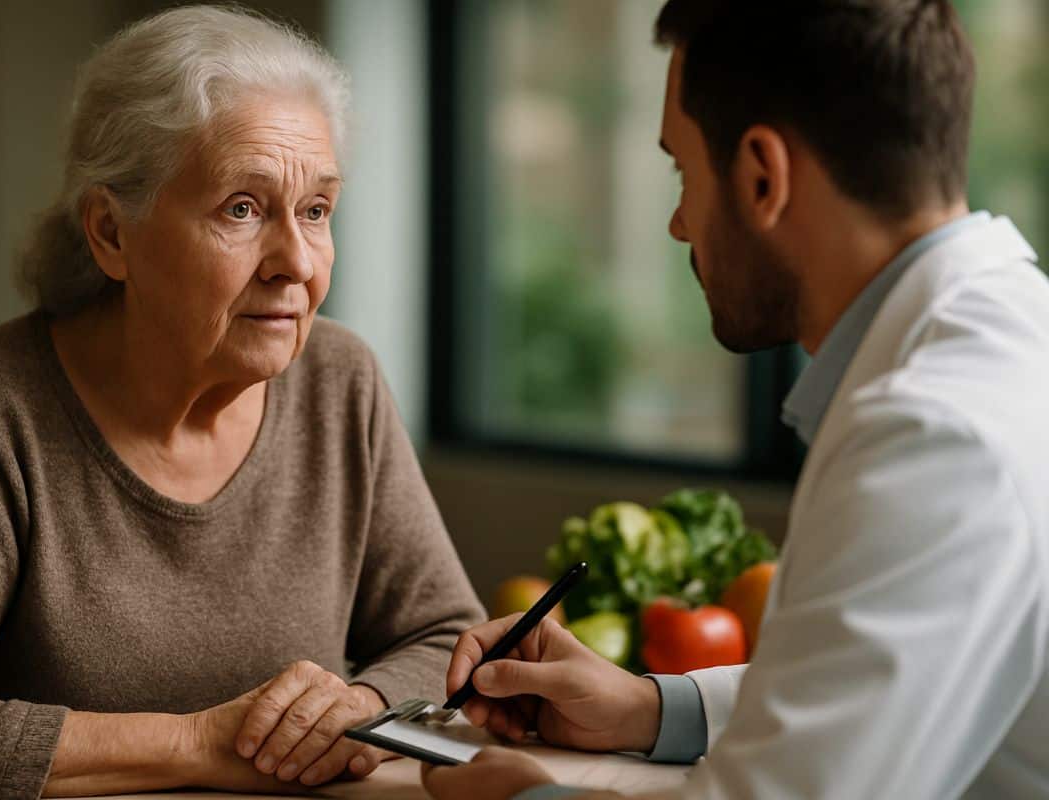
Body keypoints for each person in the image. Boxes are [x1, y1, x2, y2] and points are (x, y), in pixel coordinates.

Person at [0, 6, 484, 799]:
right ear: (112, 234)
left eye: (316, 210)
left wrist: (363, 705)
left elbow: (449, 638)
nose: (295, 261)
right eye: (241, 209)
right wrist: (196, 743)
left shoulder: (339, 380)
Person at [422, 1, 1049, 799]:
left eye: (683, 173)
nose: (680, 223)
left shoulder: (934, 431)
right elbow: (873, 683)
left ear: (761, 177)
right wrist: (648, 708)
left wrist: (526, 799)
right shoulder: (1006, 342)